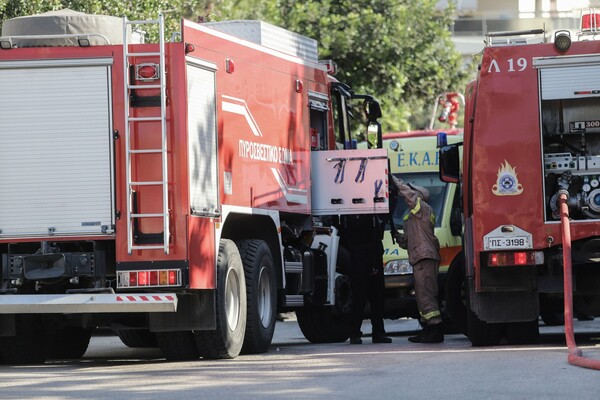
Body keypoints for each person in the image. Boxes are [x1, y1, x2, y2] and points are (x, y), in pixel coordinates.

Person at [390, 175, 444, 343]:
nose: (409, 194)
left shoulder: (423, 208)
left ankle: (435, 330)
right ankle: (428, 329)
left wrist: (393, 179)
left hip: (424, 257)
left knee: (426, 295)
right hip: (421, 257)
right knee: (422, 295)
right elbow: (408, 242)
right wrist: (397, 237)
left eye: (413, 192)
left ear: (419, 196)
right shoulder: (414, 217)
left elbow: (408, 194)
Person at [337, 214, 392, 344]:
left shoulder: (351, 214)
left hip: (362, 256)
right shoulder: (368, 213)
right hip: (365, 256)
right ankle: (370, 333)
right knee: (367, 297)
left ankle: (359, 333)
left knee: (367, 297)